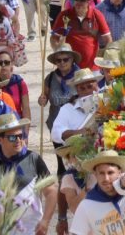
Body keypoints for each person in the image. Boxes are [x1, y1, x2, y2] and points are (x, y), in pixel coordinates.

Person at [0, 114, 58, 235]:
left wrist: (45, 221)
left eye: (21, 136)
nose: (18, 140)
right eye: (12, 138)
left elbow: (51, 191)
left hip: (32, 230)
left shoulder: (33, 159)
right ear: (0, 140)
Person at [38, 44, 81, 232]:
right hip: (57, 128)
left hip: (77, 129)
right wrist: (42, 99)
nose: (62, 63)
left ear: (72, 60)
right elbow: (46, 98)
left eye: (65, 59)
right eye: (59, 60)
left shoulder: (80, 76)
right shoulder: (50, 78)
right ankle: (64, 203)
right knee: (62, 165)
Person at [50, 0, 113, 70]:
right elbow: (54, 38)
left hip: (92, 68)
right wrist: (58, 52)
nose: (78, 3)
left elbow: (108, 39)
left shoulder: (96, 15)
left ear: (88, 0)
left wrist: (105, 60)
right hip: (69, 70)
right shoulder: (64, 15)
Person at [55, 136, 95, 214]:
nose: (79, 159)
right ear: (69, 159)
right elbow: (74, 208)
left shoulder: (101, 170)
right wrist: (86, 189)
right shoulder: (69, 177)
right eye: (74, 156)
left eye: (81, 153)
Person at [0, 50, 31, 121]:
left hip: (17, 123)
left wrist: (26, 130)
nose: (3, 65)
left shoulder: (20, 83)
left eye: (6, 62)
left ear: (11, 64)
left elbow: (26, 108)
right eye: (0, 63)